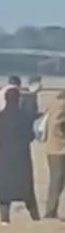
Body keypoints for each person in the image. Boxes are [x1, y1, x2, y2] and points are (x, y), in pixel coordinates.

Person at [0, 87, 40, 225]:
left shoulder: (1, 116)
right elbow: (30, 136)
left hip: (3, 154)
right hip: (21, 155)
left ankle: (4, 219)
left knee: (4, 187)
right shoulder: (23, 116)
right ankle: (35, 216)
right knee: (26, 187)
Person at [43, 90, 65, 219]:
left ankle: (52, 210)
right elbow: (57, 126)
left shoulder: (53, 104)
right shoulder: (61, 106)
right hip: (59, 149)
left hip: (53, 148)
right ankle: (50, 211)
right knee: (57, 180)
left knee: (57, 180)